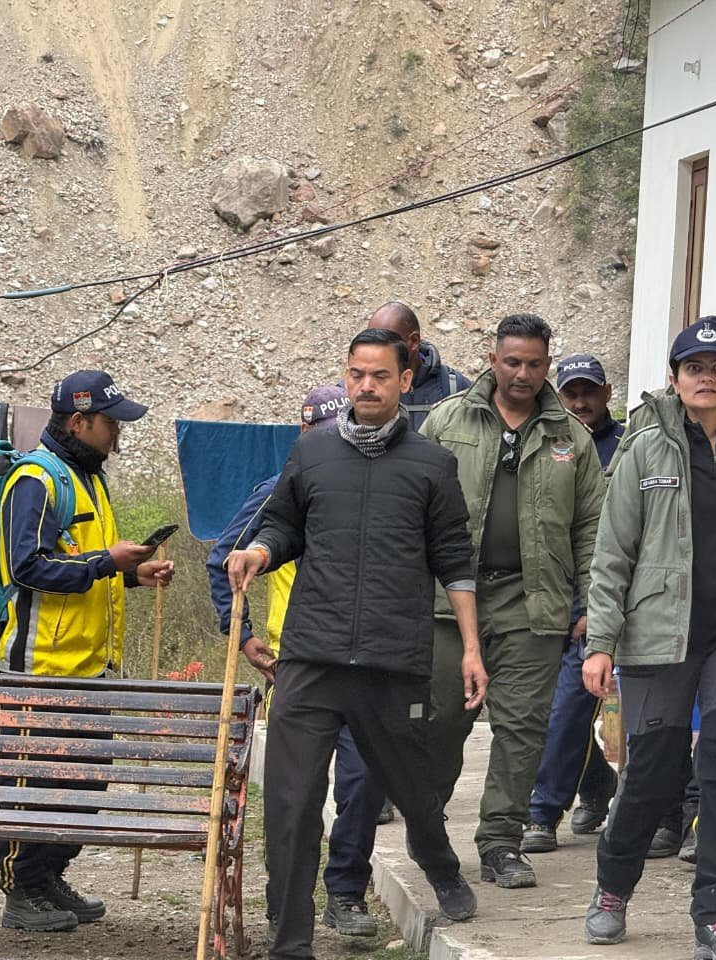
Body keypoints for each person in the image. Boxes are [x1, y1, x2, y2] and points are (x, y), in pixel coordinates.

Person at [226, 329, 487, 960]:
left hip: (390, 662)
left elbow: (454, 560)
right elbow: (284, 525)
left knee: (413, 789)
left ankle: (437, 860)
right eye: (356, 374)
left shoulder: (431, 464)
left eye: (379, 375)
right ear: (346, 378)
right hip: (311, 659)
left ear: (405, 381)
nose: (366, 386)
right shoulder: (312, 452)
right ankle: (291, 941)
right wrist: (259, 550)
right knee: (291, 805)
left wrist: (471, 649)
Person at [579, 317, 716, 960]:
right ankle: (613, 888)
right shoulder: (645, 449)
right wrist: (601, 642)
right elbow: (612, 553)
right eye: (694, 368)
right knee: (652, 772)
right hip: (658, 632)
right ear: (674, 379)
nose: (707, 378)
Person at [422, 314, 605, 890]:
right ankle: (428, 829)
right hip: (449, 599)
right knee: (442, 718)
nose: (523, 374)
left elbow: (592, 528)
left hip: (534, 600)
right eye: (512, 362)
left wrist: (590, 605)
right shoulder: (446, 421)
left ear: (548, 365)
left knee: (523, 727)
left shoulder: (570, 436)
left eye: (534, 364)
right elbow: (410, 508)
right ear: (492, 359)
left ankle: (500, 842)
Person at [207, 384, 390, 938]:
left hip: (365, 665)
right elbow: (223, 558)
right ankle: (285, 904)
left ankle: (346, 894)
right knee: (296, 796)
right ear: (304, 433)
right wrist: (242, 635)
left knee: (365, 784)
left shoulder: (374, 485)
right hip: (297, 667)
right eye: (319, 431)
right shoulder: (278, 490)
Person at [0, 370, 174, 932]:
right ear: (79, 421)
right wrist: (105, 563)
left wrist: (133, 574)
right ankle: (21, 890)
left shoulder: (89, 478)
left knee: (83, 784)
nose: (118, 432)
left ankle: (50, 877)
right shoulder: (36, 479)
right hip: (41, 668)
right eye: (110, 422)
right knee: (35, 786)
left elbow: (84, 565)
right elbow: (26, 567)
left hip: (91, 665)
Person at [366, 299, 472, 823]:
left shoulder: (457, 393)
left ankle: (426, 795)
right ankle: (385, 790)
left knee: (442, 701)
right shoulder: (369, 386)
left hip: (440, 554)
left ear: (413, 344)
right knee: (386, 690)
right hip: (390, 557)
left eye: (388, 338)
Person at [521, 355, 624, 853]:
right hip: (543, 597)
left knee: (566, 708)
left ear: (607, 393)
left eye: (589, 392)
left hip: (599, 600)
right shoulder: (545, 443)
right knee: (543, 710)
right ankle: (598, 782)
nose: (580, 402)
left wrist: (594, 608)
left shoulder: (628, 446)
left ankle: (541, 813)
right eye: (571, 393)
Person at [366, 300, 472, 431]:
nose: (376, 353)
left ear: (414, 341)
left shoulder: (454, 387)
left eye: (385, 343)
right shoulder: (363, 388)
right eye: (370, 343)